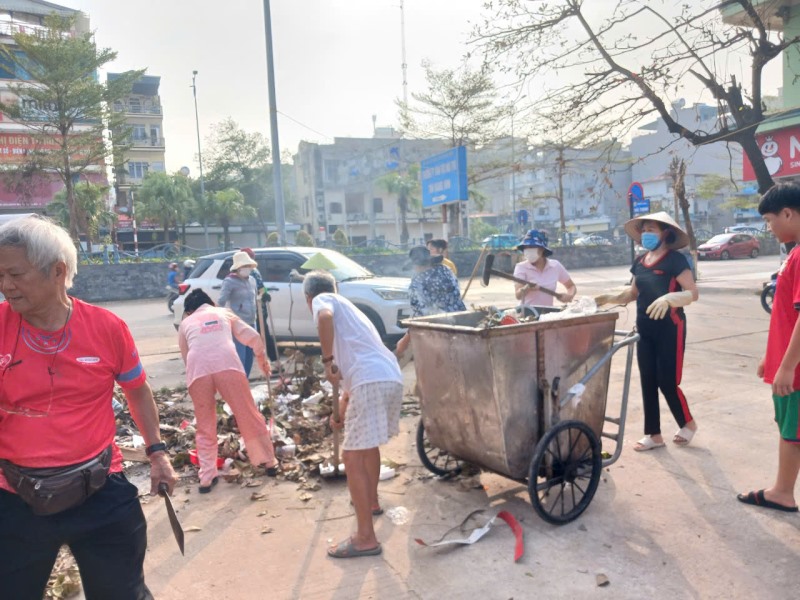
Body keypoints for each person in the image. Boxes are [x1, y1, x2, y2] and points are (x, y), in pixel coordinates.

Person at [0, 215, 177, 599]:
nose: (5, 286)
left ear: (58, 271)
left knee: (123, 593)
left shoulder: (106, 328)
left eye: (15, 274)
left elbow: (138, 390)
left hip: (99, 490)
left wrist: (158, 452)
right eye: (0, 275)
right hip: (14, 498)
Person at [304, 270, 403, 558]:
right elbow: (349, 388)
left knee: (352, 456)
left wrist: (326, 362)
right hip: (388, 377)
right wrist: (341, 414)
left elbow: (323, 318)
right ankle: (371, 502)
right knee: (365, 446)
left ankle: (365, 538)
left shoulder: (324, 300)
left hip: (370, 380)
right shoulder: (353, 314)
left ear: (308, 298)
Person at [594, 212, 699, 452]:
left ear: (666, 233)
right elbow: (631, 294)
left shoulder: (675, 260)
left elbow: (693, 293)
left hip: (670, 328)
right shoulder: (640, 262)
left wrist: (671, 298)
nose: (646, 234)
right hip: (645, 329)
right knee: (647, 380)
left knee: (667, 381)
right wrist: (607, 297)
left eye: (651, 229)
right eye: (643, 230)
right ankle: (654, 434)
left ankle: (688, 423)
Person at [737, 184, 800, 512]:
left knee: (793, 431)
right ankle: (782, 490)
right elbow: (788, 317)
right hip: (789, 361)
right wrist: (771, 358)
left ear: (788, 213)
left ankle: (782, 492)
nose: (769, 227)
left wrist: (787, 366)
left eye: (769, 219)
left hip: (797, 371)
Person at [178, 289, 278, 492]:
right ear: (211, 303)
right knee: (248, 414)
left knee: (205, 423)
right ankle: (268, 462)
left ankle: (206, 478)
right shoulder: (223, 313)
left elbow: (186, 355)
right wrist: (262, 361)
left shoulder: (185, 324)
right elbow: (253, 336)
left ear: (189, 311)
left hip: (198, 369)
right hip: (228, 364)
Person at [395, 246, 465, 357]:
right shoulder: (446, 270)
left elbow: (421, 315)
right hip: (463, 325)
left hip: (438, 333)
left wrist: (404, 340)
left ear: (416, 265)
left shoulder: (417, 282)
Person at [218, 251, 258, 376]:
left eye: (248, 266)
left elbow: (254, 297)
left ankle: (245, 381)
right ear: (238, 268)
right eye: (244, 266)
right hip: (238, 323)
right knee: (241, 356)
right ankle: (240, 382)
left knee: (250, 355)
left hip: (252, 322)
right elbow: (221, 301)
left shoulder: (252, 280)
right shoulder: (229, 281)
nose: (247, 269)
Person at [513, 229, 577, 307]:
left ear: (542, 249)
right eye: (526, 248)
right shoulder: (521, 267)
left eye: (532, 247)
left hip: (547, 312)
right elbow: (518, 295)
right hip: (527, 313)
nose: (528, 250)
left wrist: (569, 295)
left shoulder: (555, 266)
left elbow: (571, 286)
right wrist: (527, 287)